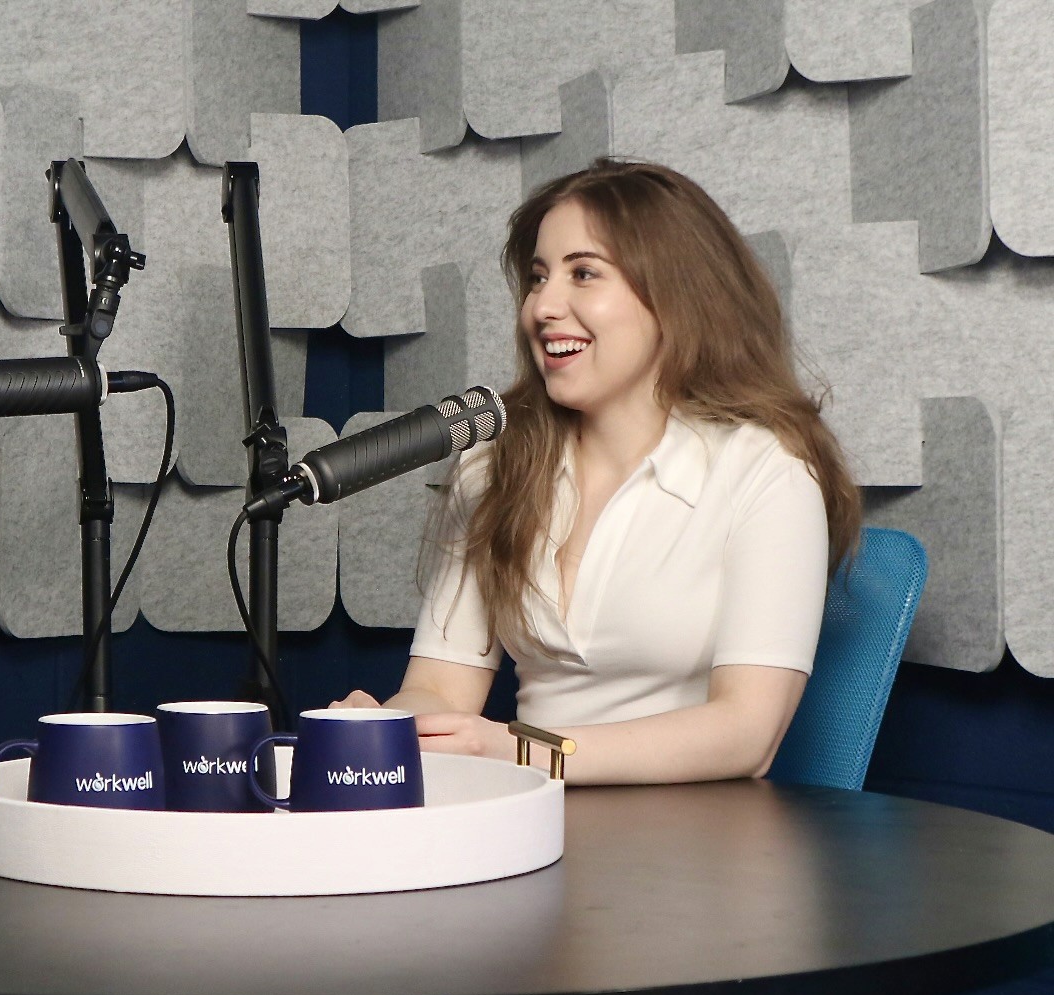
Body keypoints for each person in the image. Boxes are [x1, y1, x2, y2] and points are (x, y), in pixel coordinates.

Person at [336, 158, 860, 784]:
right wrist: (389, 731)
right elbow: (441, 689)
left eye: (583, 273)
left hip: (701, 847)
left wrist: (519, 751)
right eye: (537, 278)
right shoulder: (493, 466)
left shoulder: (767, 472)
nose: (543, 306)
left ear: (674, 297)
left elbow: (745, 734)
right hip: (526, 822)